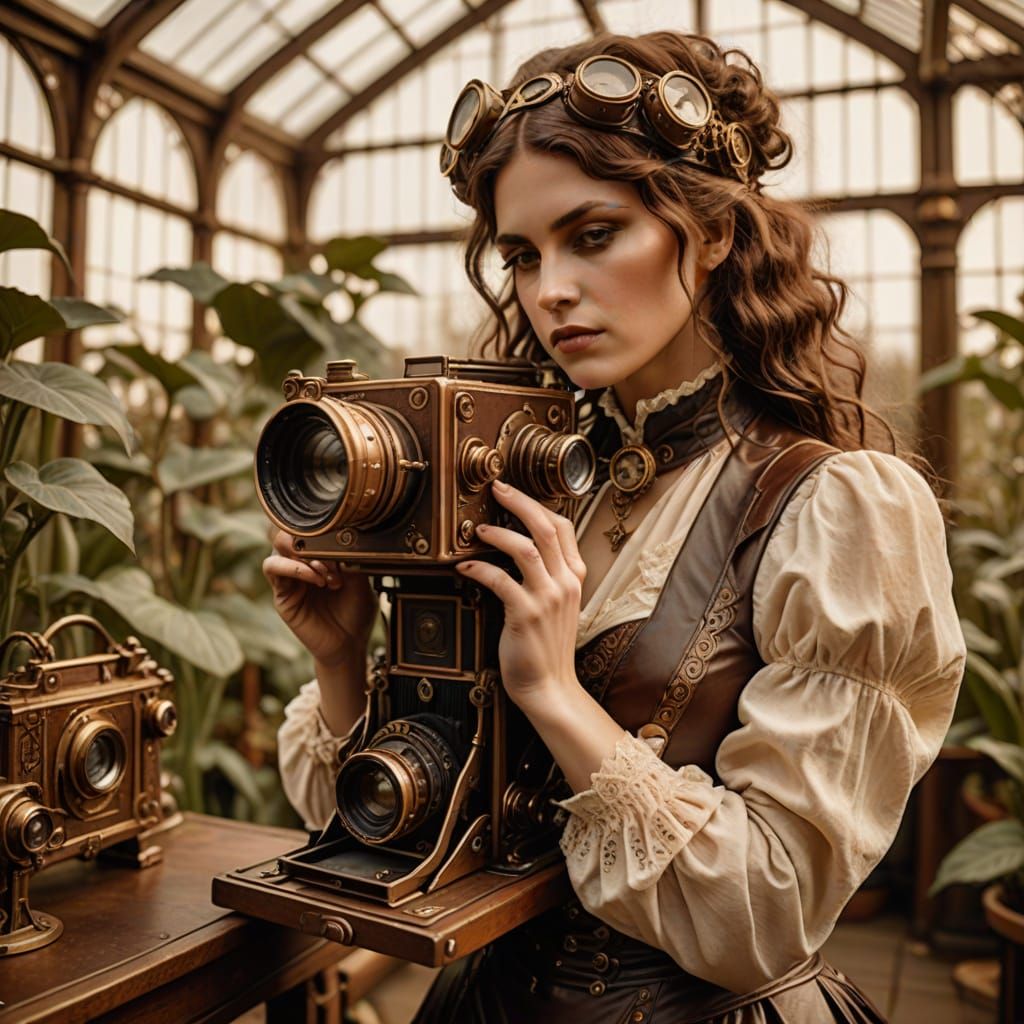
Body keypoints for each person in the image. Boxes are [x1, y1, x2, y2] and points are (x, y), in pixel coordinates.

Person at [268, 29, 966, 1023]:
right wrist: (341, 663)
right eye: (522, 254)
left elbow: (769, 911)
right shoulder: (530, 483)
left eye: (592, 235)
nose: (549, 290)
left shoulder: (836, 506)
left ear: (714, 234)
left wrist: (554, 692)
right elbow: (388, 835)